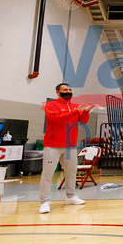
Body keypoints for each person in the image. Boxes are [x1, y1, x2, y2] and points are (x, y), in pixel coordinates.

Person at [38, 83, 93, 214]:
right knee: (48, 174)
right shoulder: (51, 105)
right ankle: (44, 202)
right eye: (65, 90)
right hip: (53, 145)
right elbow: (55, 119)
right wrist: (74, 112)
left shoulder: (75, 106)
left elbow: (83, 121)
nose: (68, 91)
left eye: (70, 89)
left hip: (70, 145)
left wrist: (85, 111)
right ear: (58, 92)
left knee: (71, 172)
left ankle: (71, 196)